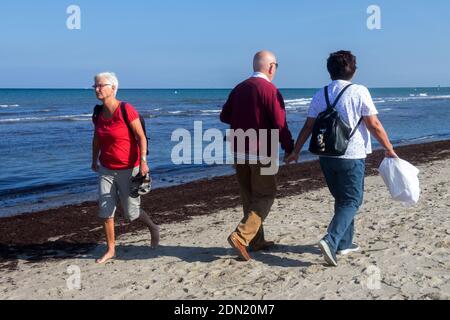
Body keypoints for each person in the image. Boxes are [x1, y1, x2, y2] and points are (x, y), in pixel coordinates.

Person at [286, 50, 398, 267]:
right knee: (352, 200)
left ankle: (344, 243)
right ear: (353, 70)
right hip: (351, 154)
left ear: (329, 71)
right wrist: (389, 148)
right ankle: (331, 239)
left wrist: (296, 151)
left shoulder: (321, 93)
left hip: (326, 154)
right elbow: (373, 124)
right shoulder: (359, 91)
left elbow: (309, 126)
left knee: (342, 199)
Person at [220, 51, 294, 261]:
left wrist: (243, 120)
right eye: (276, 66)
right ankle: (242, 236)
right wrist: (289, 147)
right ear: (271, 67)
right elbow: (280, 124)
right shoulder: (269, 89)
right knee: (265, 195)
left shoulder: (239, 88)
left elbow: (225, 116)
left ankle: (256, 240)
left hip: (239, 148)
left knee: (249, 196)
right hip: (263, 148)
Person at [91, 72, 159, 264]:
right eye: (94, 86)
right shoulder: (97, 113)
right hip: (106, 168)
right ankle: (111, 249)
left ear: (113, 88)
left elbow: (140, 136)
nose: (96, 89)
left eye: (100, 85)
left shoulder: (126, 109)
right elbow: (96, 138)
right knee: (105, 211)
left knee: (131, 213)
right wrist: (93, 160)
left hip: (130, 168)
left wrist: (144, 161)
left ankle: (153, 227)